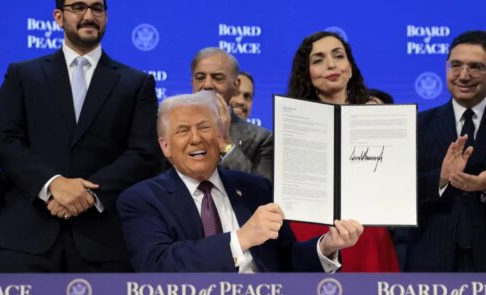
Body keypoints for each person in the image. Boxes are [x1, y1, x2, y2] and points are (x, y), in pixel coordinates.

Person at [0, 0, 160, 272]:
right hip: (23, 235)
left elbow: (144, 154)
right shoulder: (23, 74)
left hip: (104, 239)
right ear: (58, 17)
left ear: (106, 16)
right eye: (78, 7)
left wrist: (86, 193)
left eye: (97, 8)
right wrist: (52, 184)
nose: (89, 15)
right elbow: (4, 140)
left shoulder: (136, 83)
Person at [117, 91, 363, 273]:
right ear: (165, 146)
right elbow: (158, 265)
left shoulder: (256, 188)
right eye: (182, 131)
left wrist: (326, 246)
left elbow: (286, 261)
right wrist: (241, 239)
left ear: (220, 136)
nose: (196, 139)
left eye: (204, 127)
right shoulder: (142, 199)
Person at [286, 31, 399, 272]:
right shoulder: (293, 125)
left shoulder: (377, 118)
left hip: (367, 231)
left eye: (338, 56)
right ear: (306, 72)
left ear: (350, 66)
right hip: (311, 230)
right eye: (318, 60)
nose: (331, 65)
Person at [406, 30, 486, 272]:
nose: (464, 75)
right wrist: (441, 179)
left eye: (476, 67)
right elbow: (397, 193)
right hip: (431, 260)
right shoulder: (416, 125)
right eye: (456, 65)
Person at [191, 47, 273, 181]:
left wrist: (226, 145)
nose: (207, 85)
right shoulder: (171, 130)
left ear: (235, 87)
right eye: (200, 77)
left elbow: (263, 189)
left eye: (217, 78)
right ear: (192, 82)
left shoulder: (262, 139)